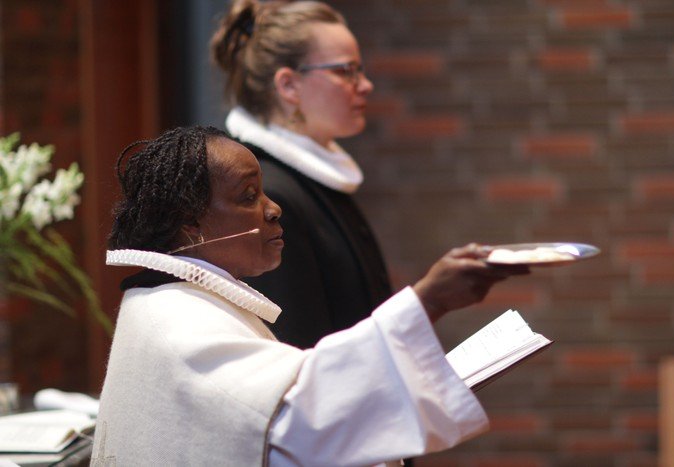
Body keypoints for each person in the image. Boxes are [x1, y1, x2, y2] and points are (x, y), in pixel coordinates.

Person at [91, 126, 527, 466]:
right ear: (191, 225)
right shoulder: (178, 320)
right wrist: (429, 301)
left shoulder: (178, 303)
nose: (272, 207)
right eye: (247, 196)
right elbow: (306, 421)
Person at [210, 0, 392, 349]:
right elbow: (296, 347)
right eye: (346, 71)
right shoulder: (266, 194)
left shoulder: (315, 180)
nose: (365, 85)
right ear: (289, 85)